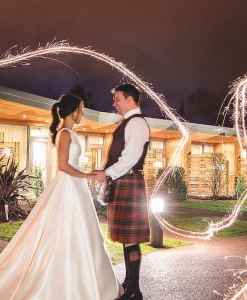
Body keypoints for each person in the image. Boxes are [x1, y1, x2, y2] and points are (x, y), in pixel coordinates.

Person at [0, 94, 119, 300]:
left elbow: (72, 165)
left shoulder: (71, 133)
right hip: (68, 188)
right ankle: (61, 280)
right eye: (80, 109)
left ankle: (83, 280)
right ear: (72, 111)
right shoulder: (64, 133)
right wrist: (89, 175)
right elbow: (63, 166)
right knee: (63, 232)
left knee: (80, 233)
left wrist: (88, 174)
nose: (82, 113)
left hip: (75, 188)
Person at [93, 83, 150, 300]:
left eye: (117, 98)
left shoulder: (137, 124)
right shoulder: (129, 123)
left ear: (129, 100)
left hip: (129, 182)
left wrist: (106, 174)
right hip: (125, 183)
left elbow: (129, 159)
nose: (113, 103)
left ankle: (134, 289)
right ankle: (130, 284)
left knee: (131, 239)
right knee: (129, 239)